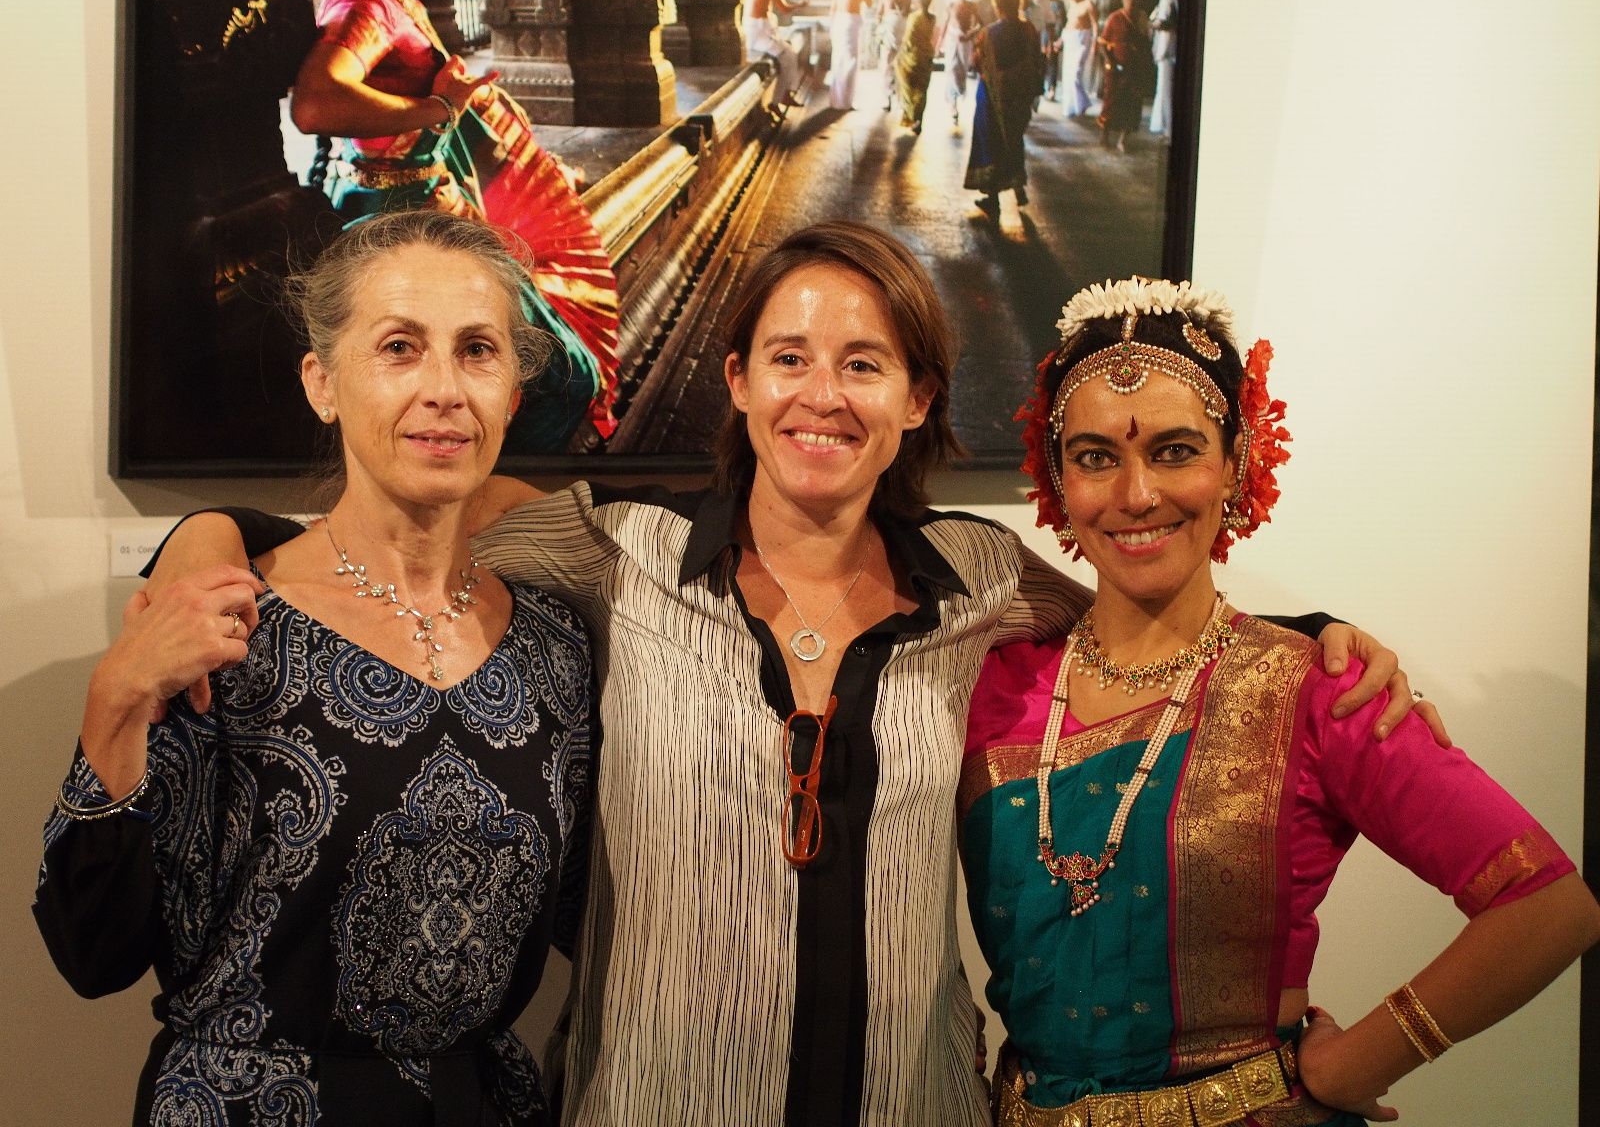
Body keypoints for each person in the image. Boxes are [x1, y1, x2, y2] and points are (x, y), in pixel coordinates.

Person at [144, 223, 1428, 1127]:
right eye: (790, 357)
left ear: (916, 398)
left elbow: (1142, 619)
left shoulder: (977, 579)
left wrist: (1312, 632)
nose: (824, 394)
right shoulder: (609, 553)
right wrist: (206, 539)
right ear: (739, 382)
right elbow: (386, 522)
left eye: (864, 363)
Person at [961, 277, 1600, 1126]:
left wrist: (1353, 1063)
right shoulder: (993, 683)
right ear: (1057, 478)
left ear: (1238, 462)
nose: (1135, 493)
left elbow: (1549, 907)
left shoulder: (1312, 686)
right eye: (1095, 457)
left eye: (1176, 451)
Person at [34, 211, 598, 1125]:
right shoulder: (226, 624)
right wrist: (117, 699)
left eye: (478, 351)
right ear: (322, 384)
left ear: (512, 393)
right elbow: (93, 952)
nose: (444, 390)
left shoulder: (556, 648)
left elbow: (592, 916)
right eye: (400, 348)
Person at [289, 0, 618, 449]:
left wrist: (532, 168)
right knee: (559, 371)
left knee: (548, 363)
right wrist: (438, 108)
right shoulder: (364, 0)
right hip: (395, 217)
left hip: (428, 202)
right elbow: (314, 104)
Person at [965, 0, 1045, 215]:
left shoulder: (987, 34)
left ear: (997, 6)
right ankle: (1018, 187)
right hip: (1019, 97)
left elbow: (975, 62)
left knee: (991, 143)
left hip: (992, 98)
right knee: (1014, 140)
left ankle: (993, 199)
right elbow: (1037, 60)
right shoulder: (1029, 30)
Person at [744, 0, 808, 107]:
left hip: (754, 34)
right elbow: (784, 8)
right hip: (760, 35)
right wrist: (800, 5)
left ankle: (784, 95)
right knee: (789, 56)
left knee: (789, 52)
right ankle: (779, 98)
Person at [1097, 0, 1151, 151]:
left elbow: (1146, 42)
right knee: (1111, 101)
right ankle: (1105, 135)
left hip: (1135, 69)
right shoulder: (1115, 18)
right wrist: (1109, 61)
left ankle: (1123, 140)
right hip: (1116, 68)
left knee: (1132, 103)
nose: (1132, 0)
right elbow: (1102, 43)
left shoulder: (1142, 18)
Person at [936, 0, 982, 124]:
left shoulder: (972, 6)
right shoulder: (951, 5)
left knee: (961, 71)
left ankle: (957, 96)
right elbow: (945, 24)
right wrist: (938, 44)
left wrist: (970, 35)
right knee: (951, 69)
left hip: (965, 41)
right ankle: (953, 104)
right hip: (952, 40)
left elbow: (980, 25)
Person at [828, 0, 872, 109]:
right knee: (850, 61)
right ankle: (845, 102)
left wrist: (831, 27)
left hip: (837, 22)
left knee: (838, 60)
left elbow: (832, 9)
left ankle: (835, 100)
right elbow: (870, 2)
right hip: (849, 22)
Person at [896, 0, 938, 133]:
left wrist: (900, 56)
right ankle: (919, 120)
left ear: (919, 1)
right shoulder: (933, 18)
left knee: (909, 88)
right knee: (922, 91)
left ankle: (911, 117)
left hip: (912, 58)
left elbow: (908, 40)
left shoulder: (914, 17)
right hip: (926, 58)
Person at [1148, 0, 1181, 137]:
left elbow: (1164, 21)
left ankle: (1167, 128)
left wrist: (1150, 24)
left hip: (1168, 47)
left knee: (1165, 89)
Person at [875, 0, 914, 112]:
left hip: (901, 35)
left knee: (901, 65)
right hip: (888, 34)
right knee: (886, 65)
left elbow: (908, 15)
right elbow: (879, 14)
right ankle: (887, 97)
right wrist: (880, 31)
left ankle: (900, 97)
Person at [1062, 0, 1098, 117]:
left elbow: (1095, 24)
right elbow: (1068, 24)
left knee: (1075, 74)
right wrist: (1061, 39)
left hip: (1082, 39)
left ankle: (1083, 103)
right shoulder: (1072, 4)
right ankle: (1073, 106)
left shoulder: (1088, 4)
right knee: (1068, 74)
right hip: (1070, 39)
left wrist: (1095, 43)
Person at [1040, 0, 1069, 102]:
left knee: (1052, 62)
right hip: (1045, 34)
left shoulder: (1057, 3)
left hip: (1052, 35)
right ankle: (1045, 88)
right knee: (1046, 62)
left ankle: (1052, 89)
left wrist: (1054, 40)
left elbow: (1060, 23)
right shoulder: (1046, 3)